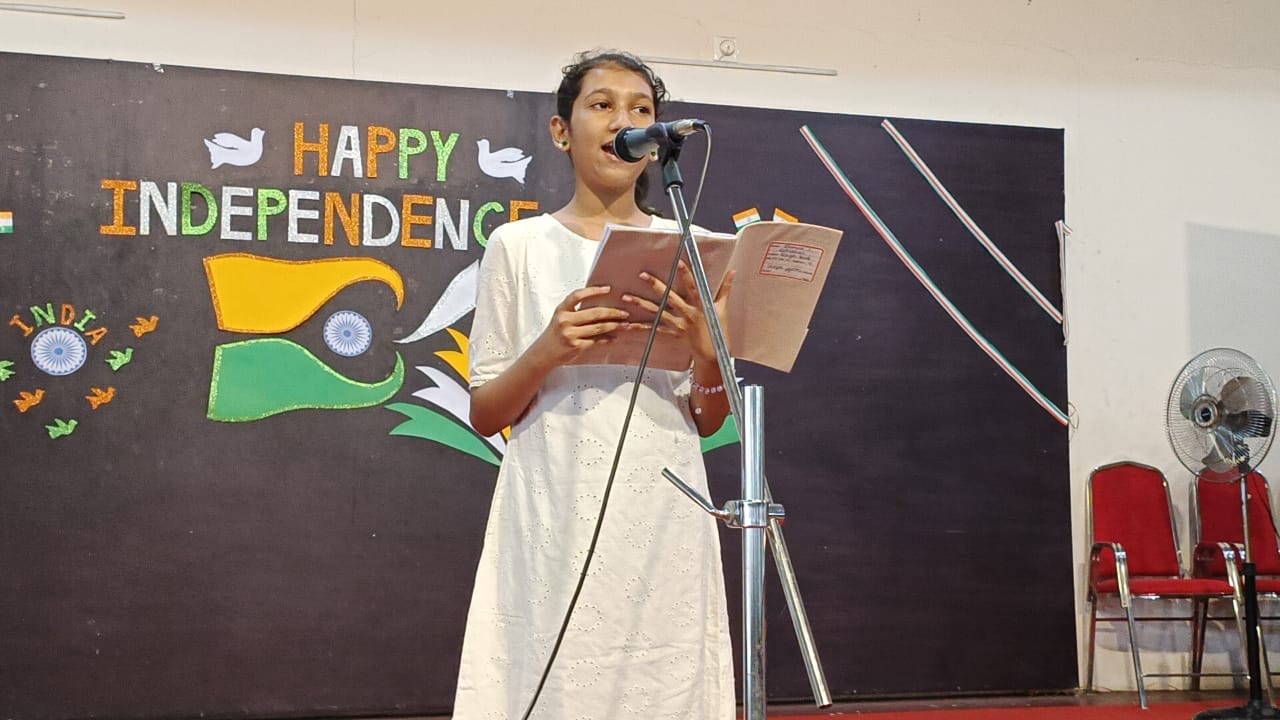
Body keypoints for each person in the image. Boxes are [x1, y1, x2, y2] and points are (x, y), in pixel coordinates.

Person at [451, 50, 736, 719]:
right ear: (562, 130)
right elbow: (486, 413)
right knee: (553, 678)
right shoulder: (518, 246)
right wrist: (548, 350)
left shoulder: (694, 249)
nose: (623, 121)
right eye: (602, 105)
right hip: (552, 502)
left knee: (664, 681)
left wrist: (707, 357)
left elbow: (708, 418)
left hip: (665, 504)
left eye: (641, 109)